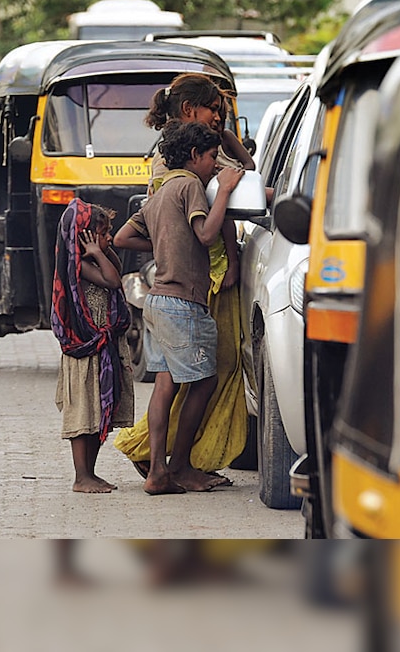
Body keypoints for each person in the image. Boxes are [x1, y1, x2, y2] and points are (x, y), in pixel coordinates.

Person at [113, 74, 252, 485]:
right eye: (215, 113)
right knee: (206, 378)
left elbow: (125, 235)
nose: (216, 161)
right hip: (187, 298)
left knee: (165, 382)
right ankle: (177, 467)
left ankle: (157, 469)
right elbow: (209, 232)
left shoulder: (165, 179)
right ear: (196, 153)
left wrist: (165, 246)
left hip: (157, 298)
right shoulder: (192, 182)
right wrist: (224, 191)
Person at [51, 200, 135, 493]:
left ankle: (91, 473)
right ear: (84, 237)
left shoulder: (97, 257)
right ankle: (81, 476)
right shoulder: (82, 264)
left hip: (102, 348)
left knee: (99, 412)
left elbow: (118, 269)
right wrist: (98, 252)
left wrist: (104, 249)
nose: (109, 238)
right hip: (86, 348)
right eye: (103, 233)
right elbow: (113, 281)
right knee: (84, 412)